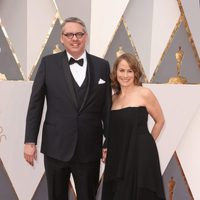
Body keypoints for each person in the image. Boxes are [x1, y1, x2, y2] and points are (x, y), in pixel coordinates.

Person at [24, 17, 111, 200]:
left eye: (79, 34)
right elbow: (36, 104)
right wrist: (30, 140)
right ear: (62, 38)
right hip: (56, 147)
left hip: (89, 149)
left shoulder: (102, 66)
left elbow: (106, 107)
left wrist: (108, 141)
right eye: (69, 34)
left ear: (85, 36)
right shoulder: (48, 64)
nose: (74, 38)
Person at [101, 53, 166, 200]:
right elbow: (113, 128)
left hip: (140, 156)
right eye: (122, 70)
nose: (125, 75)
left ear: (135, 73)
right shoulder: (113, 99)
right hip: (118, 156)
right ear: (115, 72)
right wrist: (107, 145)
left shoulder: (144, 94)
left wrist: (147, 144)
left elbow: (160, 120)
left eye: (130, 71)